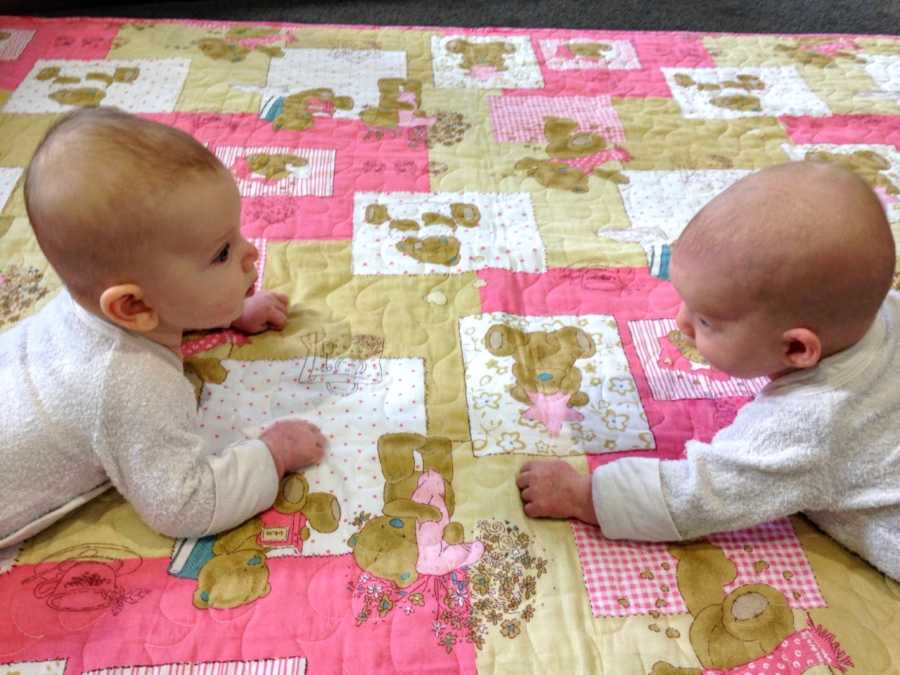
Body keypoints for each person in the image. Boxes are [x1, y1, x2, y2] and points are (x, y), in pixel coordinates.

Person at [517, 161, 900, 580]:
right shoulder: (878, 310)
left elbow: (697, 497)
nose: (681, 322)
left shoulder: (810, 421)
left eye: (707, 321)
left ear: (796, 347)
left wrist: (584, 497)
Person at [1, 107, 325, 547]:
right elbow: (184, 504)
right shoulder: (131, 385)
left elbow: (167, 309)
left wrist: (229, 309)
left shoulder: (97, 306)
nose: (250, 253)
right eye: (221, 254)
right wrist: (274, 455)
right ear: (132, 305)